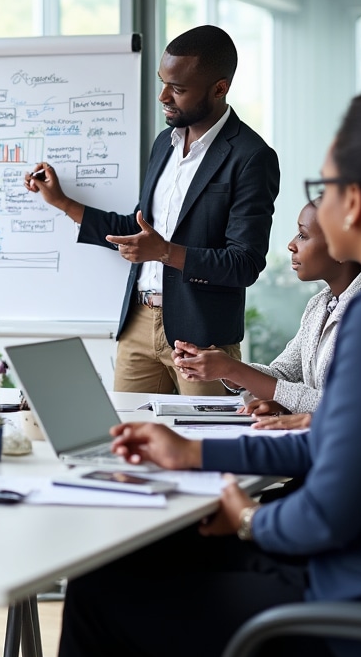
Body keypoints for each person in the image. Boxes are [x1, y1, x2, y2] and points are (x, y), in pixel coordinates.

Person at [45, 86, 361, 657]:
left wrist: (245, 517)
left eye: (322, 186)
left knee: (103, 602)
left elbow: (325, 513)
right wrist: (197, 456)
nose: (318, 203)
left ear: (353, 202)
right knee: (145, 570)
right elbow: (330, 443)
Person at [25, 24, 280, 394]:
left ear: (219, 88)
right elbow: (140, 229)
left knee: (201, 445)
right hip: (138, 327)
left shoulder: (252, 156)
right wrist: (63, 203)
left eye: (177, 89)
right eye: (163, 82)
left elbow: (245, 263)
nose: (164, 95)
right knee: (129, 442)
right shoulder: (165, 143)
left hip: (203, 338)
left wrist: (164, 252)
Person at [172, 201, 361, 429]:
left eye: (303, 235)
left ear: (340, 247)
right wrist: (224, 368)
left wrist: (233, 369)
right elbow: (282, 374)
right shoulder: (320, 305)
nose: (291, 245)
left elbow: (347, 408)